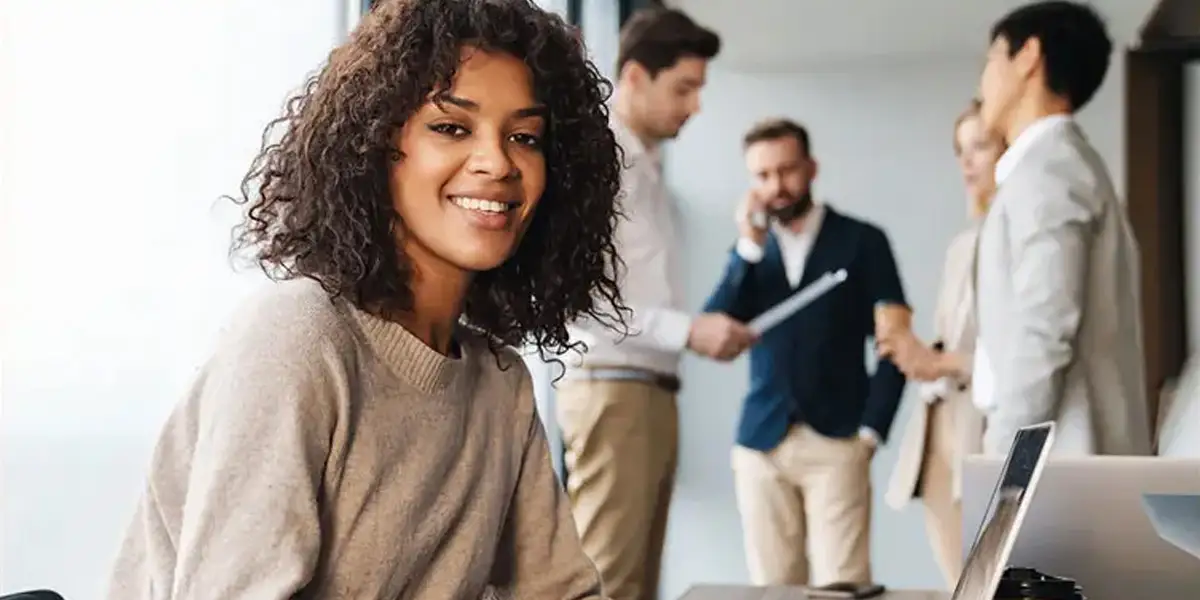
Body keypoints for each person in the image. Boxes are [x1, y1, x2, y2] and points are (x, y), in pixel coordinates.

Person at [105, 0, 627, 598]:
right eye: (451, 127)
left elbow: (561, 591)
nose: (498, 162)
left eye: (525, 137)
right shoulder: (297, 338)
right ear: (375, 145)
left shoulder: (499, 383)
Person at [556, 8, 732, 600]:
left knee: (635, 586)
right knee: (608, 583)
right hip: (615, 389)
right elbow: (580, 299)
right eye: (684, 88)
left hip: (645, 392)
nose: (695, 106)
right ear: (634, 76)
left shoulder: (646, 167)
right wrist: (686, 331)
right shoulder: (601, 164)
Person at [702, 118, 907, 587]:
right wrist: (747, 250)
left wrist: (872, 430)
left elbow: (895, 341)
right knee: (772, 590)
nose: (777, 186)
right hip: (761, 443)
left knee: (843, 586)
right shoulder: (751, 253)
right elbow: (712, 330)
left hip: (838, 440)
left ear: (811, 168)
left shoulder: (862, 241)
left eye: (787, 170)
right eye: (763, 176)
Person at [970, 0, 1151, 455]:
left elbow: (1044, 328)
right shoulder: (1056, 164)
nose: (983, 81)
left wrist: (1001, 453)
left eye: (991, 60)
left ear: (1028, 55)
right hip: (1061, 457)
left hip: (1056, 462)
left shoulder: (1050, 167)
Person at [882, 99, 1001, 589]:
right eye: (960, 150)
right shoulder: (963, 244)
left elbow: (1021, 355)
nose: (967, 163)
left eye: (980, 146)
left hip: (984, 433)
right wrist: (915, 352)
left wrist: (938, 360)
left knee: (988, 585)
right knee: (959, 584)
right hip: (938, 436)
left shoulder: (1013, 240)